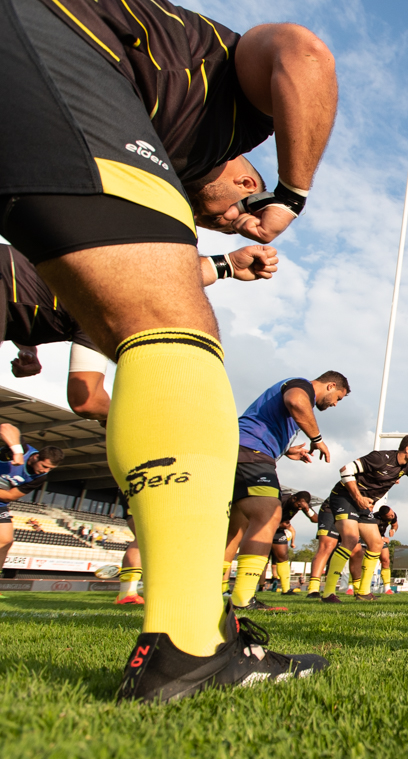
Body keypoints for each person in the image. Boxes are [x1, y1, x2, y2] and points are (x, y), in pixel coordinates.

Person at [0, 0, 339, 700]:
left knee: (155, 302)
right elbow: (305, 55)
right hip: (46, 42)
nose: (235, 224)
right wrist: (291, 196)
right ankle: (187, 644)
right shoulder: (218, 99)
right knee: (175, 324)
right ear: (245, 175)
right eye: (240, 210)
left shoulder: (150, 147)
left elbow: (102, 272)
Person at [2, 243, 278, 420]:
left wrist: (28, 348)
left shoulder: (112, 285)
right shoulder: (113, 313)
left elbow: (160, 279)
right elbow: (86, 401)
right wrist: (127, 423)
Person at [223, 374, 348, 611]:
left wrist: (286, 450)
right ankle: (242, 598)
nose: (334, 404)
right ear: (331, 385)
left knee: (236, 527)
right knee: (269, 515)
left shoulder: (296, 392)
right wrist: (317, 438)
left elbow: (269, 419)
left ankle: (213, 592)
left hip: (241, 449)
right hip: (252, 452)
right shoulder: (301, 386)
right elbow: (296, 401)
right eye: (338, 398)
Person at [320, 435, 408, 603]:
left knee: (377, 544)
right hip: (345, 497)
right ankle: (328, 593)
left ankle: (363, 592)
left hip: (363, 504)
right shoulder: (380, 457)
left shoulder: (407, 467)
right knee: (350, 539)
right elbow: (345, 470)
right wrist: (358, 498)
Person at [0, 425, 63, 596]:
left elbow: (11, 496)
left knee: (6, 540)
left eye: (50, 469)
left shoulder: (39, 477)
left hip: (0, 501)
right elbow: (5, 427)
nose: (45, 471)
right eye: (44, 466)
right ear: (36, 457)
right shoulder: (22, 451)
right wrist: (17, 451)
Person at [268, 491, 317, 596]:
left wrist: (307, 509)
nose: (299, 508)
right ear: (293, 498)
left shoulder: (302, 504)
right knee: (260, 557)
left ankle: (286, 590)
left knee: (283, 557)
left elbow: (315, 519)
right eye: (299, 505)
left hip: (278, 529)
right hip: (264, 527)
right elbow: (263, 515)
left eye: (302, 507)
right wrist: (278, 525)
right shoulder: (281, 500)